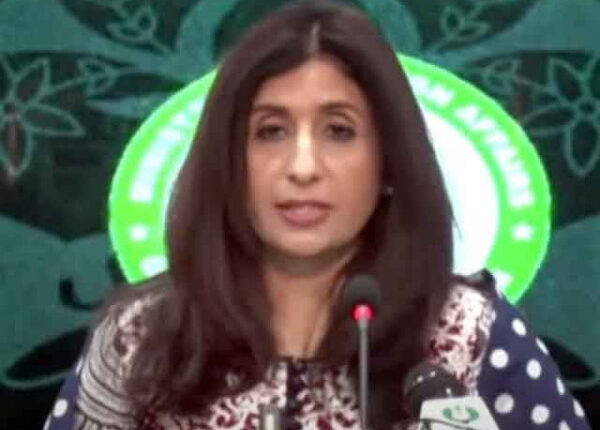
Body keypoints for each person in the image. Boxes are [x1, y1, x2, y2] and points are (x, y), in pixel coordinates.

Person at [44, 1, 592, 429]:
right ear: (229, 160)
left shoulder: (472, 335)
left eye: (339, 131)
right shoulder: (139, 337)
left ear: (389, 161)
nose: (303, 167)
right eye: (271, 131)